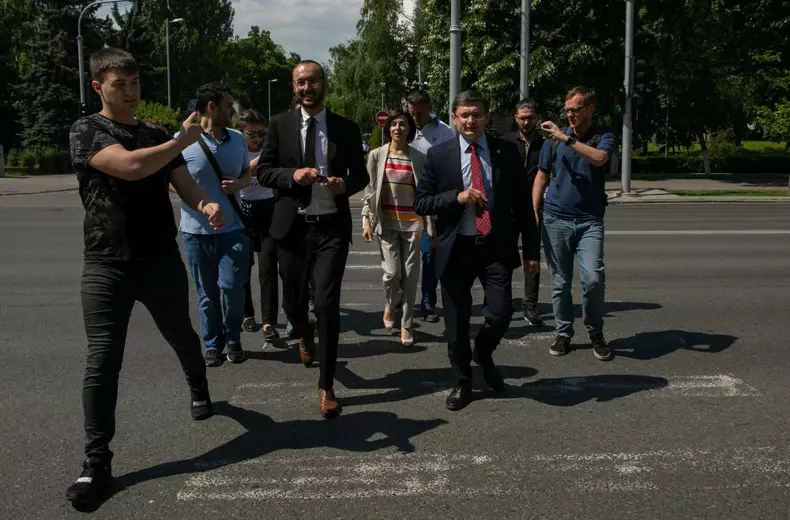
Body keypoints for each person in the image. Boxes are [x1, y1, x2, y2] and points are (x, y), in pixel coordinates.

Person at [66, 48, 223, 506]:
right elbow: (131, 166)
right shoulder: (86, 131)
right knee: (102, 360)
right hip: (106, 264)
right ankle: (96, 464)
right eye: (121, 84)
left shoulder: (154, 133)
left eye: (135, 83)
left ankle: (198, 385)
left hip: (158, 260)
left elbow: (182, 182)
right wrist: (181, 141)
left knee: (180, 334)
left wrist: (205, 203)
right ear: (98, 86)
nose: (132, 91)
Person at [414, 90, 540, 411]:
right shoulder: (438, 155)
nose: (471, 120)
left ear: (486, 116)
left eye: (477, 114)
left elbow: (524, 206)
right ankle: (463, 380)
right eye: (465, 115)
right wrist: (455, 197)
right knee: (455, 326)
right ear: (454, 119)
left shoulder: (507, 152)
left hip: (494, 248)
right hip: (456, 250)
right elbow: (421, 201)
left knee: (500, 314)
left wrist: (532, 253)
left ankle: (483, 353)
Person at [259, 60, 368, 419]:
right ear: (294, 87)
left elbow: (361, 175)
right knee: (293, 307)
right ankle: (303, 335)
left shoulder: (345, 128)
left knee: (325, 304)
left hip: (330, 229)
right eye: (300, 83)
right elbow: (263, 172)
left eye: (313, 81)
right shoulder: (279, 125)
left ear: (324, 84)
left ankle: (326, 385)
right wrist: (292, 175)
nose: (307, 88)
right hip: (291, 229)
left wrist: (344, 185)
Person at [531, 86, 616, 361]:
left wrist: (566, 139)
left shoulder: (603, 136)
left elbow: (599, 159)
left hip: (590, 221)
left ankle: (595, 330)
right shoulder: (553, 141)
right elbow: (542, 175)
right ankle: (564, 332)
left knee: (593, 279)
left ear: (590, 108)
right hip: (555, 218)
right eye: (567, 109)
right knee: (560, 282)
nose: (569, 114)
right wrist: (534, 209)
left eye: (575, 109)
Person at [179, 83, 251, 367]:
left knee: (233, 287)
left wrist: (240, 183)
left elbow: (247, 173)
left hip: (233, 228)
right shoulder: (183, 140)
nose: (233, 110)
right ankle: (212, 343)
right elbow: (172, 182)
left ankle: (233, 337)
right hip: (195, 232)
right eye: (228, 104)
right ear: (212, 106)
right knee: (207, 293)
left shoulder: (237, 139)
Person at [361, 109, 431, 347]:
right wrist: (366, 219)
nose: (398, 128)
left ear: (409, 129)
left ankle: (407, 324)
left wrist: (432, 225)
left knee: (410, 277)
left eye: (403, 124)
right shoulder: (376, 155)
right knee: (392, 274)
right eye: (394, 124)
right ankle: (391, 303)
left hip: (413, 223)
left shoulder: (418, 158)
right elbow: (370, 191)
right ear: (388, 128)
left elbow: (425, 192)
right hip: (387, 223)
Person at [406, 88, 455, 323]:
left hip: (429, 202)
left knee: (429, 255)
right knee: (404, 256)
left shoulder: (444, 132)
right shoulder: (403, 129)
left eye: (420, 113)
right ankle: (402, 301)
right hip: (404, 201)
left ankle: (428, 302)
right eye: (412, 113)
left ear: (429, 108)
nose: (416, 118)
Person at [237, 109, 281, 345]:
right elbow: (235, 174)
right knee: (243, 268)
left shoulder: (269, 151)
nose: (256, 138)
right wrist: (255, 163)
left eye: (260, 133)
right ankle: (247, 314)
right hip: (243, 212)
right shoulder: (236, 150)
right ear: (241, 132)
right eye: (250, 133)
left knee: (267, 269)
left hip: (268, 209)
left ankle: (269, 322)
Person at [503, 98, 545, 326]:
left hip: (535, 209)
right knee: (506, 258)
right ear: (515, 118)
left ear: (536, 118)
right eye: (522, 118)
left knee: (532, 260)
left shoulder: (545, 143)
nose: (526, 122)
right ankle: (506, 303)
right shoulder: (506, 142)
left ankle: (530, 306)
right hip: (509, 209)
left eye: (530, 118)